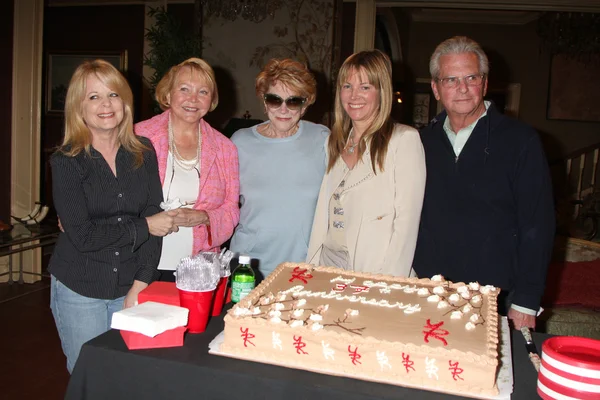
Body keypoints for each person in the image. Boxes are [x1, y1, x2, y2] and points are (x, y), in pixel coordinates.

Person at [413, 36, 555, 330]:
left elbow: (537, 225)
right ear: (436, 88)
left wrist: (526, 301)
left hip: (496, 297)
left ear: (485, 84)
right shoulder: (419, 142)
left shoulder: (520, 141)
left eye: (471, 77)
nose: (462, 88)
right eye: (451, 79)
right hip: (429, 292)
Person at [49, 59, 177, 373]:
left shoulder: (143, 151)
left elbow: (153, 215)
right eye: (94, 97)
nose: (106, 104)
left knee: (127, 377)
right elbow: (83, 237)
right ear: (79, 107)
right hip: (80, 288)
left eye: (113, 95)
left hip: (131, 285)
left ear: (125, 102)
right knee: (90, 376)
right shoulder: (67, 161)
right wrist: (145, 226)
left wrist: (141, 281)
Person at [306, 50, 426, 276]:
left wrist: (388, 282)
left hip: (375, 270)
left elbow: (406, 224)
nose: (354, 96)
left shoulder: (403, 140)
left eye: (365, 87)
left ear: (382, 91)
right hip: (327, 264)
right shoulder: (334, 141)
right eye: (347, 86)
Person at [135, 58, 240, 280]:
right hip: (140, 263)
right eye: (184, 89)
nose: (193, 99)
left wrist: (203, 217)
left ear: (211, 100)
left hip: (199, 268)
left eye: (203, 92)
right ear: (168, 94)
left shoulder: (224, 148)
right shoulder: (138, 137)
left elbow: (231, 209)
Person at [229, 59, 329, 280]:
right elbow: (223, 204)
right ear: (264, 102)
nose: (283, 109)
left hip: (304, 269)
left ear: (306, 104)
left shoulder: (322, 139)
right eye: (275, 100)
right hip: (248, 267)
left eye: (293, 101)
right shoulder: (240, 143)